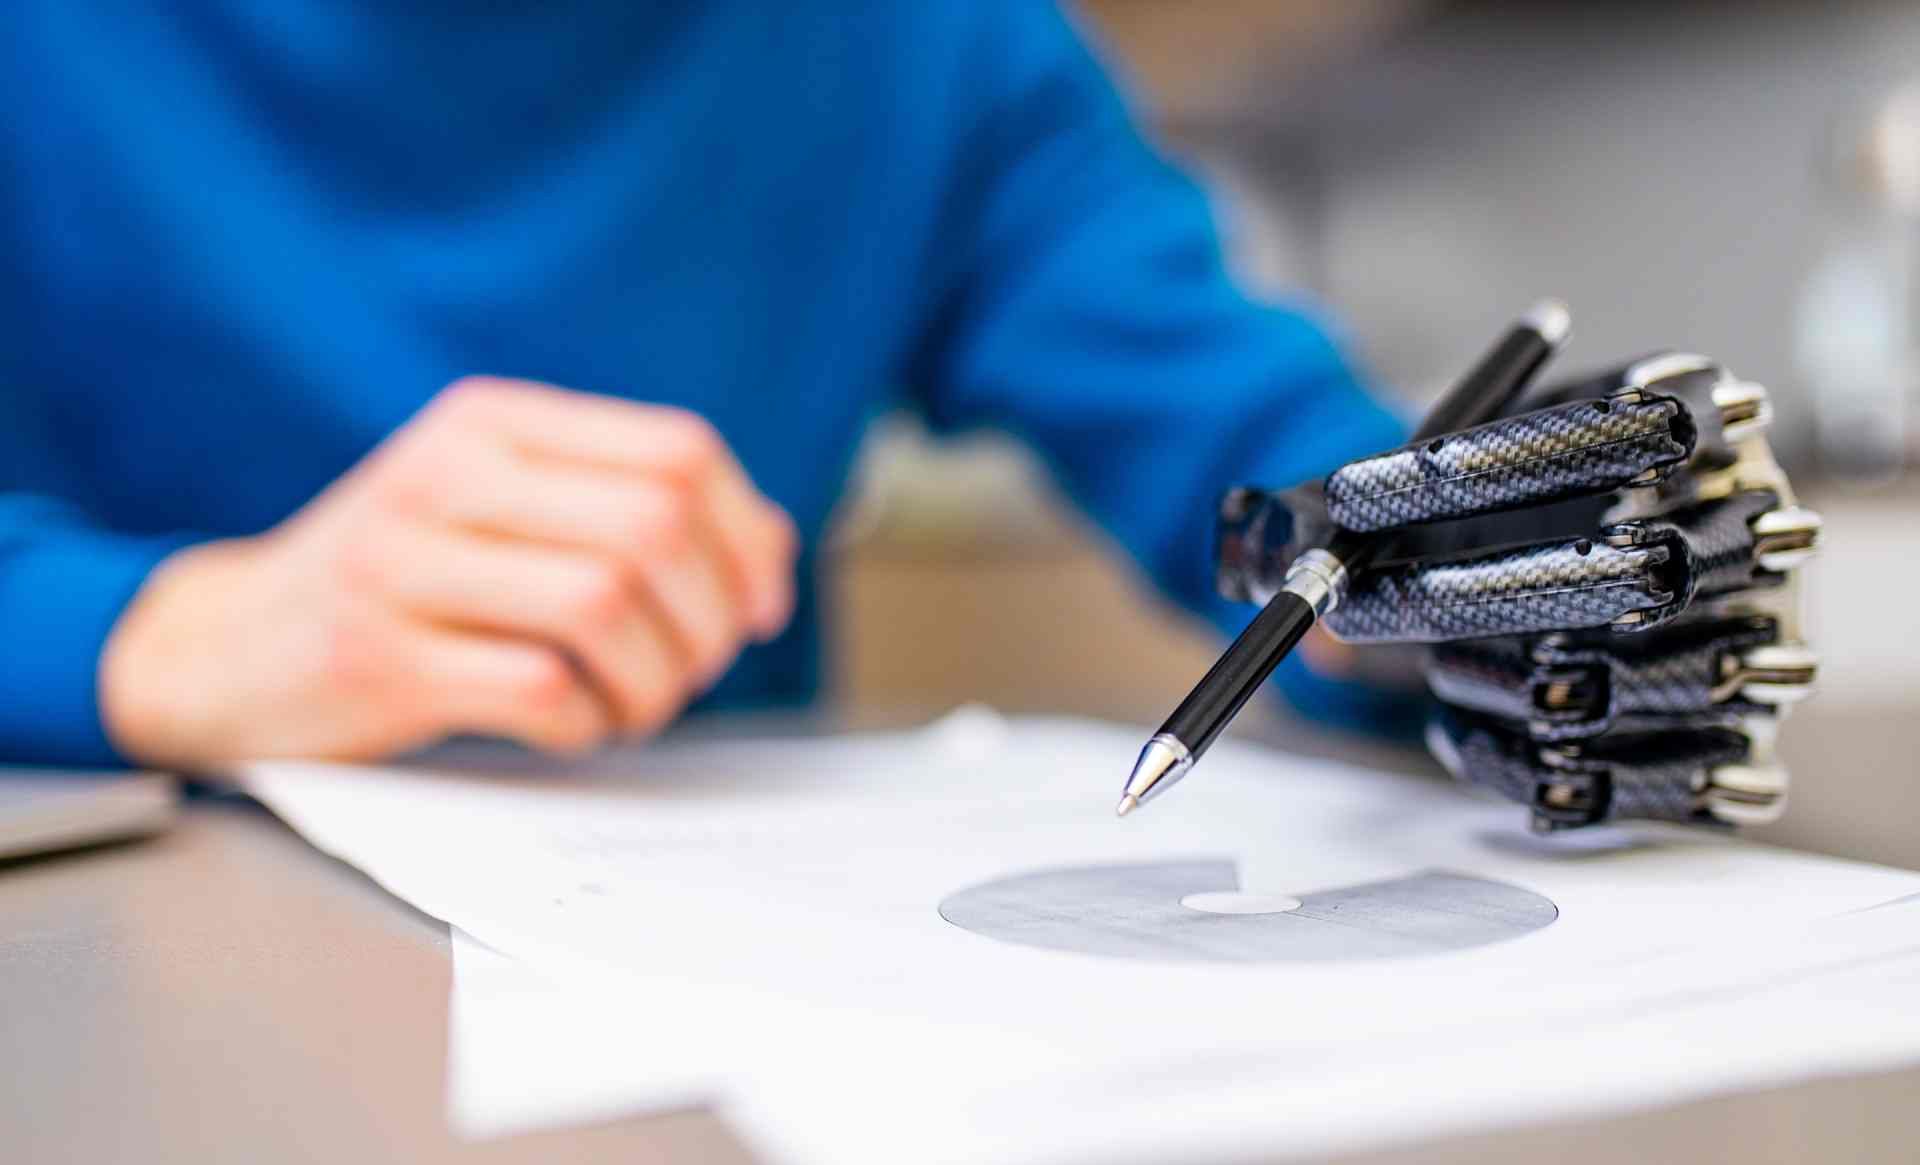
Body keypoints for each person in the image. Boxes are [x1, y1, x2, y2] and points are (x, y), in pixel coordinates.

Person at [0, 1, 1408, 770]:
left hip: (687, 1018)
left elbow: (1272, 450)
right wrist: (153, 638)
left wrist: (1488, 579)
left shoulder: (935, 43)